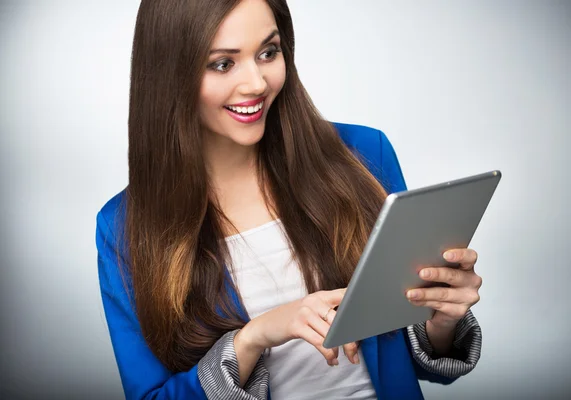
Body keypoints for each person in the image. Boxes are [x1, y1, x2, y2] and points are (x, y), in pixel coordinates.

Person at [95, 0, 483, 399]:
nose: (257, 84)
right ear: (169, 73)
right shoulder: (124, 227)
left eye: (268, 53)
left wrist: (441, 319)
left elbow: (412, 357)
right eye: (223, 64)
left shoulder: (365, 155)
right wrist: (252, 338)